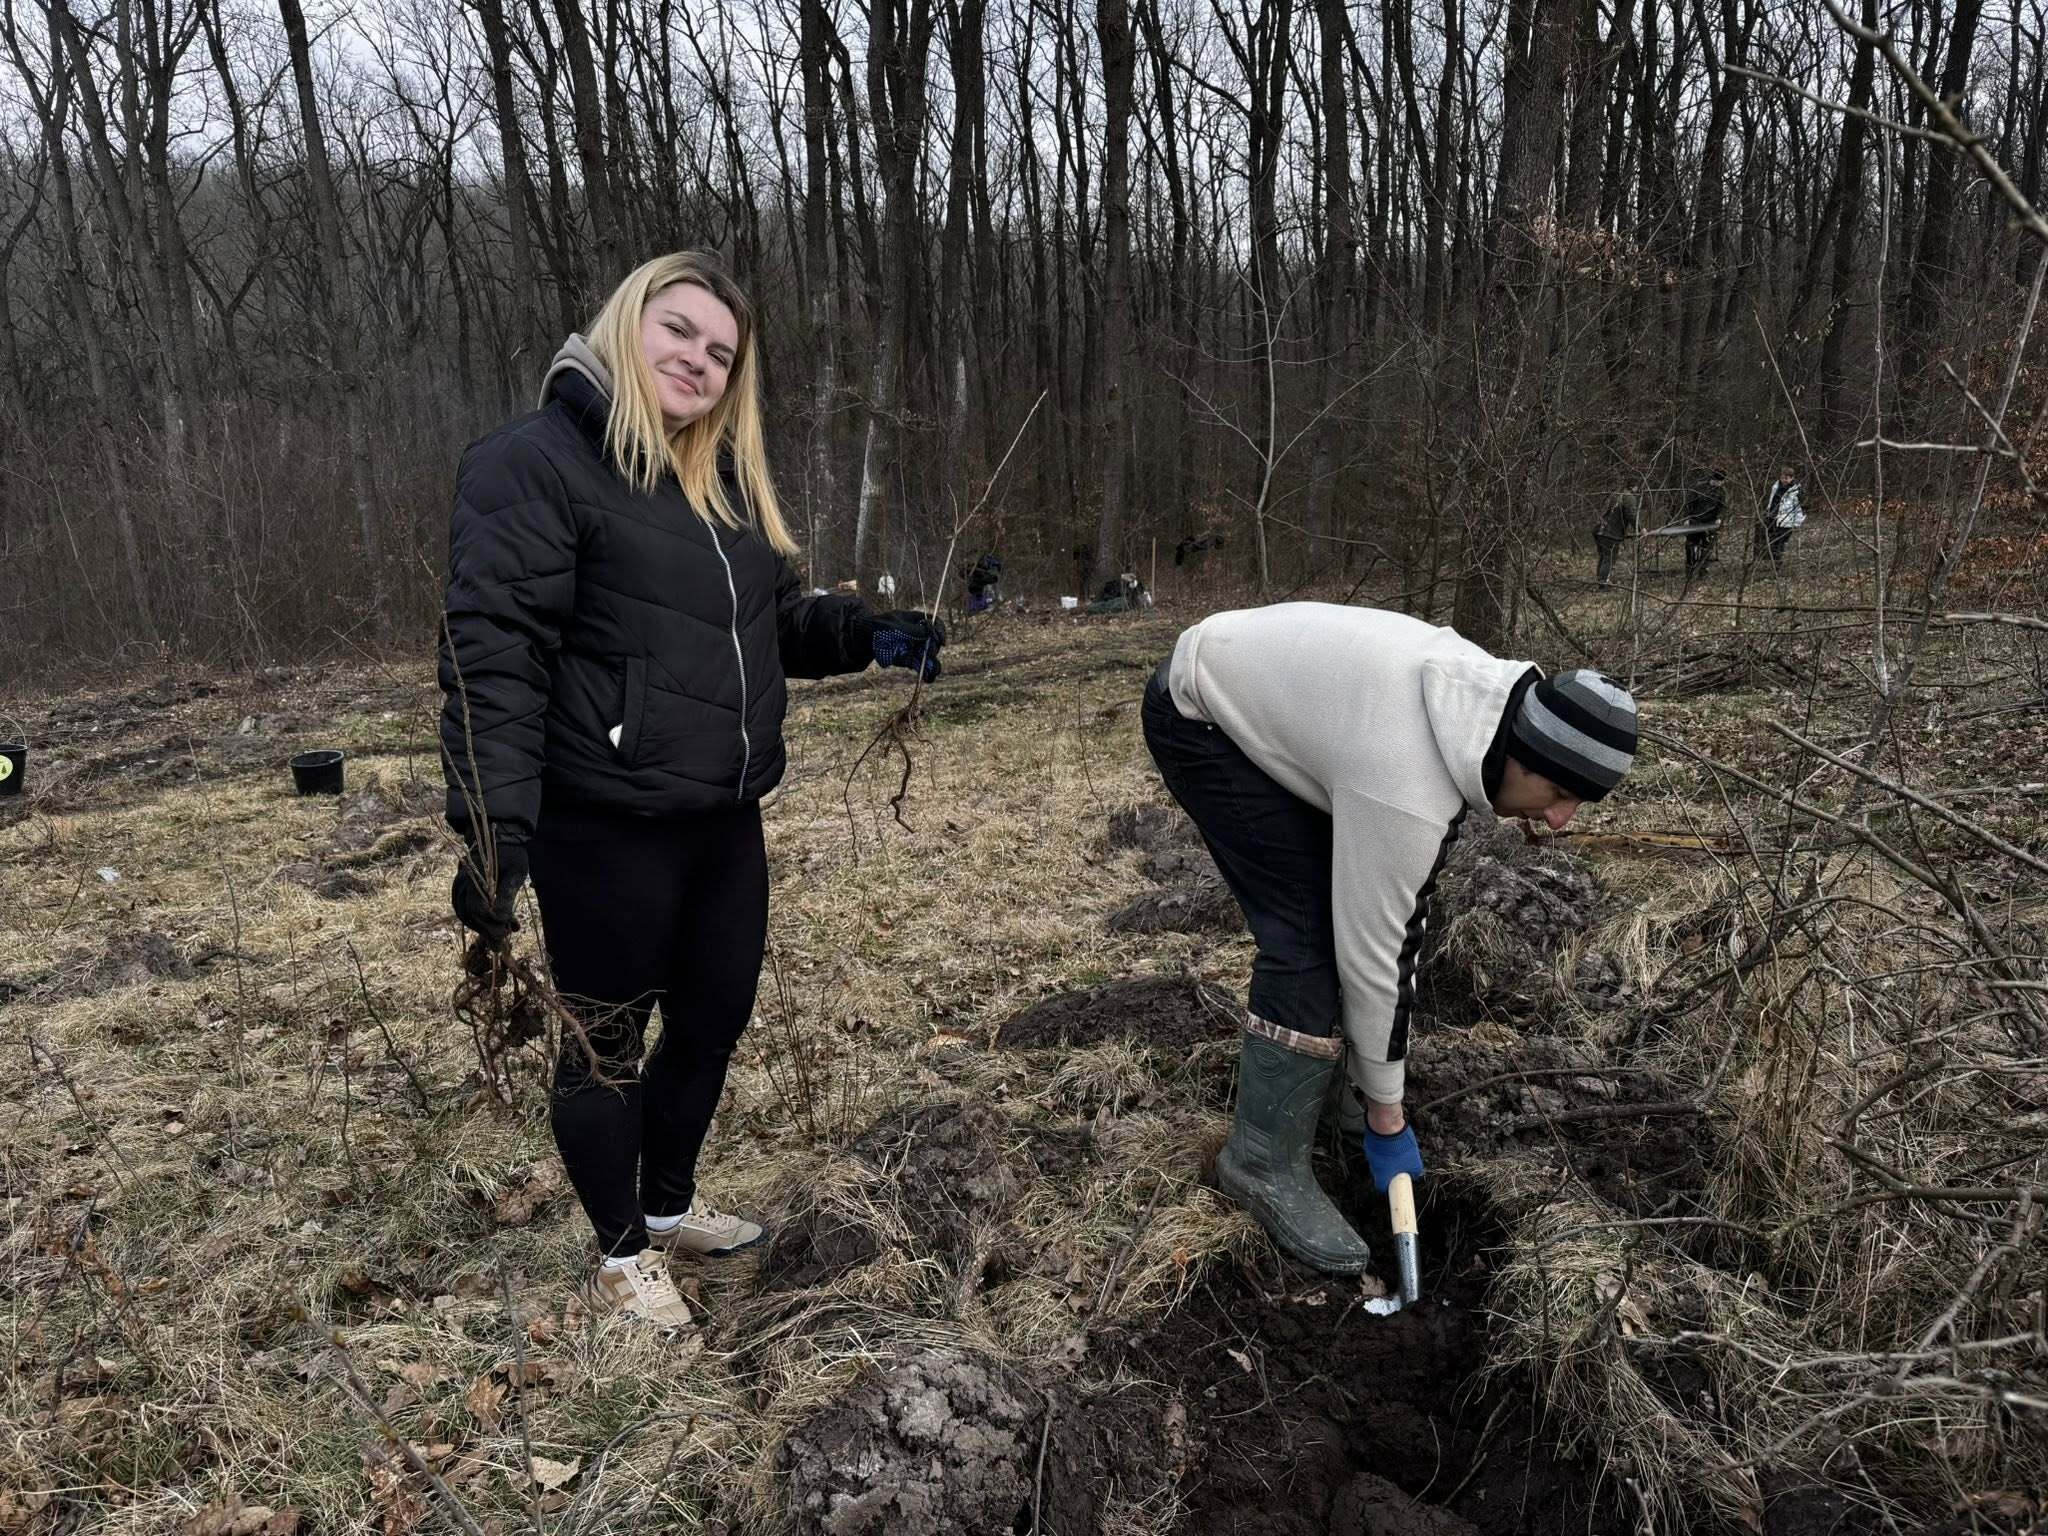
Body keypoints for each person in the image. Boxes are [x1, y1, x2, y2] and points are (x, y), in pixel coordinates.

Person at [438, 253, 946, 1326]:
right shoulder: (534, 463)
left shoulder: (719, 484)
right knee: (606, 1047)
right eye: (678, 330)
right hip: (603, 822)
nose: (698, 361)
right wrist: (493, 827)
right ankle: (622, 1254)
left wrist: (866, 634)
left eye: (720, 352)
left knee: (712, 1022)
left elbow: (770, 624)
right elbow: (495, 659)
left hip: (723, 817)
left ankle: (666, 1208)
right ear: (625, 324)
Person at [1142, 604, 1637, 1274]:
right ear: (1523, 751)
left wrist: (1376, 1086)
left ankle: (1330, 1095)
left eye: (1578, 801)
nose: (1558, 819)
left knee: (1339, 908)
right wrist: (1386, 1115)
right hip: (1200, 711)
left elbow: (1400, 915)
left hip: (1273, 688)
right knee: (1308, 933)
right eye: (1556, 790)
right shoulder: (1407, 784)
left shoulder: (1479, 712)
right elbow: (1376, 954)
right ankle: (1261, 1161)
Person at [1683, 469, 1726, 577]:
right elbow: (1689, 504)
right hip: (1695, 521)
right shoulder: (1699, 488)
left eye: (1721, 482)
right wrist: (1687, 518)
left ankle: (1703, 570)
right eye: (1717, 481)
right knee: (1690, 546)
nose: (1719, 484)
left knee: (1707, 547)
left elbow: (1722, 507)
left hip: (1710, 523)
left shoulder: (1721, 492)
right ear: (1713, 479)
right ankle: (1690, 570)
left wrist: (1719, 518)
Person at [1760, 467, 1804, 569]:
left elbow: (1799, 507)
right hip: (1773, 517)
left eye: (1786, 478)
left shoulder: (1796, 490)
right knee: (1771, 541)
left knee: (1780, 542)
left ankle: (1777, 563)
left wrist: (1797, 521)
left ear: (1792, 478)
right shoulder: (1776, 486)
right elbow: (1772, 500)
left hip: (1787, 520)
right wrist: (1768, 512)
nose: (1784, 480)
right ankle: (1772, 561)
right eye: (1782, 477)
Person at [1593, 486, 1637, 586]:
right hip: (1609, 533)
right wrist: (1640, 528)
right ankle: (1603, 583)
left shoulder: (1615, 494)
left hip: (1599, 530)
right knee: (1609, 558)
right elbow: (1631, 515)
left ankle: (1600, 581)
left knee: (1604, 557)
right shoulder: (1629, 497)